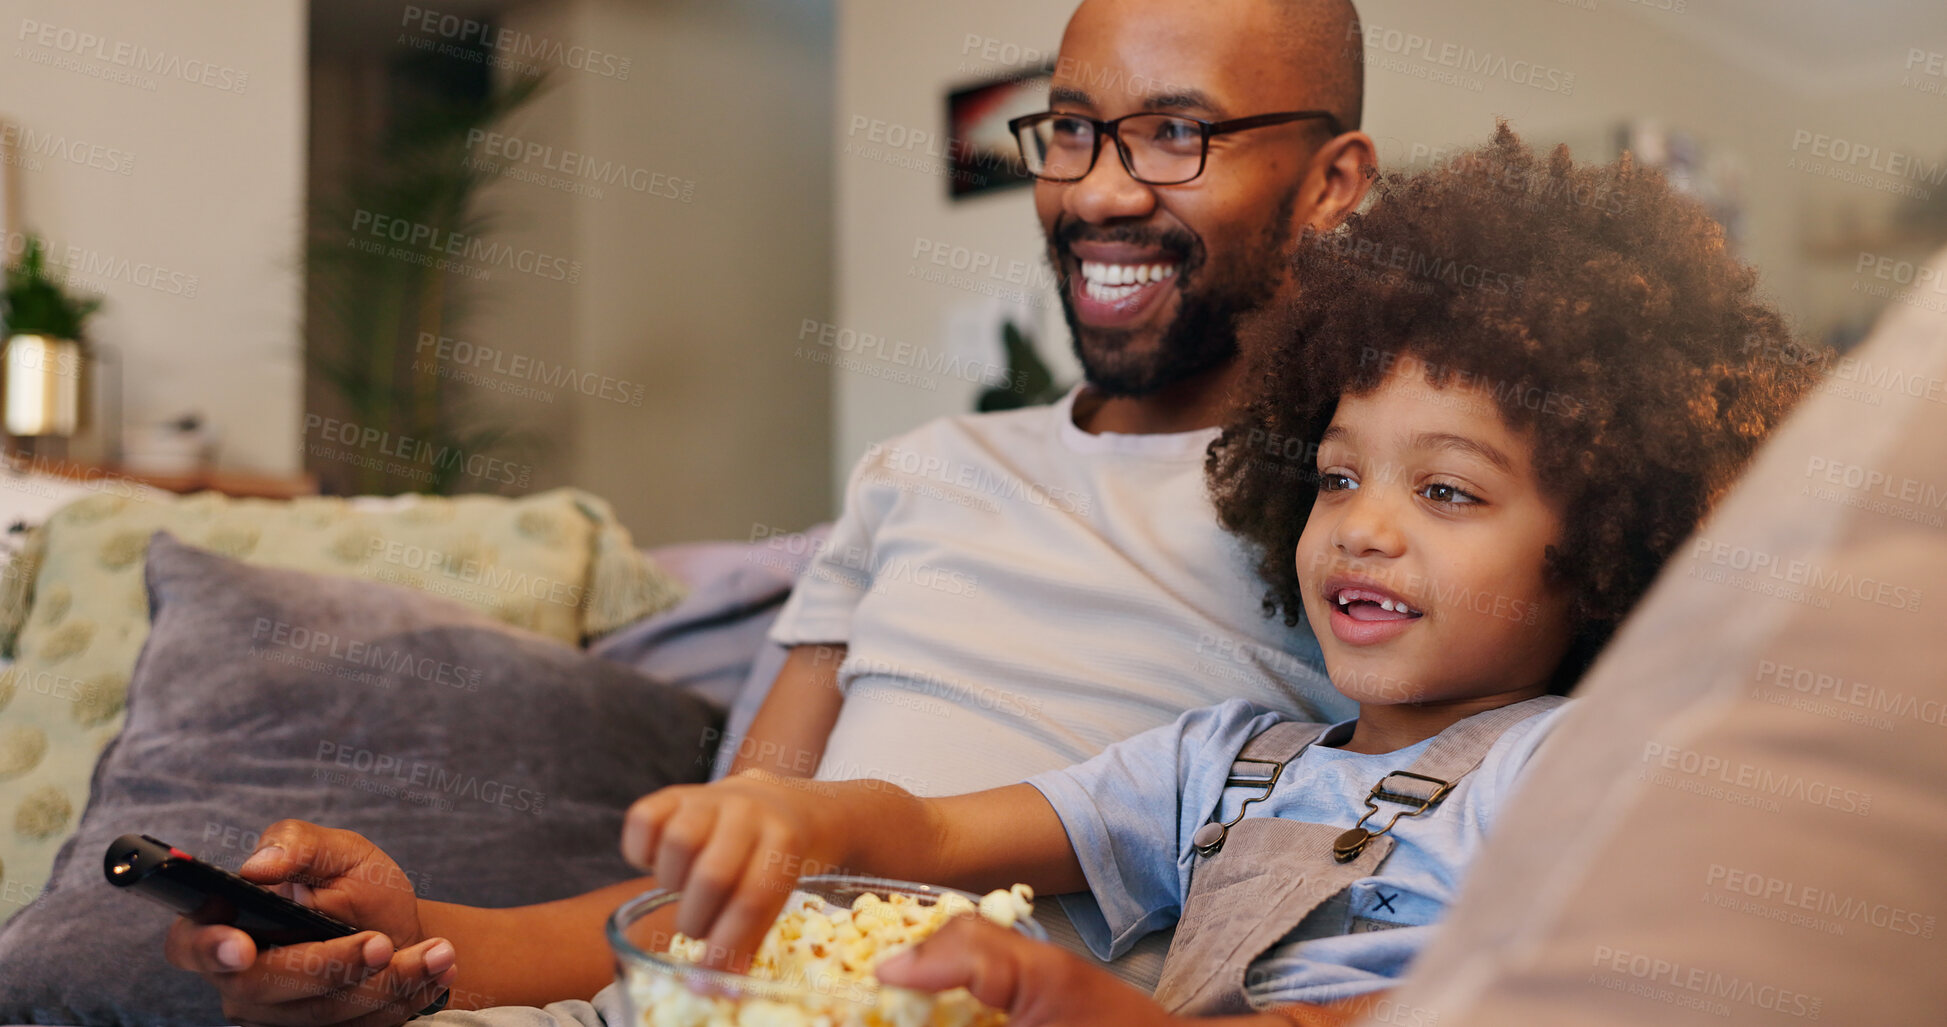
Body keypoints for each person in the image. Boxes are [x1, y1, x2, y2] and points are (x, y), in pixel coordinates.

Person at [165, 0, 1379, 1019]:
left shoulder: (1375, 519)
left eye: (1176, 132)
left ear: (1334, 182)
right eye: (1070, 131)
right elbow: (729, 892)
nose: (1097, 193)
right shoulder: (919, 471)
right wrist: (405, 940)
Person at [624, 124, 1820, 1026]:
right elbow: (935, 835)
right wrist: (798, 812)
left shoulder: (1564, 766)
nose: (1365, 528)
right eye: (1340, 478)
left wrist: (1089, 1010)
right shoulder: (1220, 764)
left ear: (1613, 549)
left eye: (1447, 491)